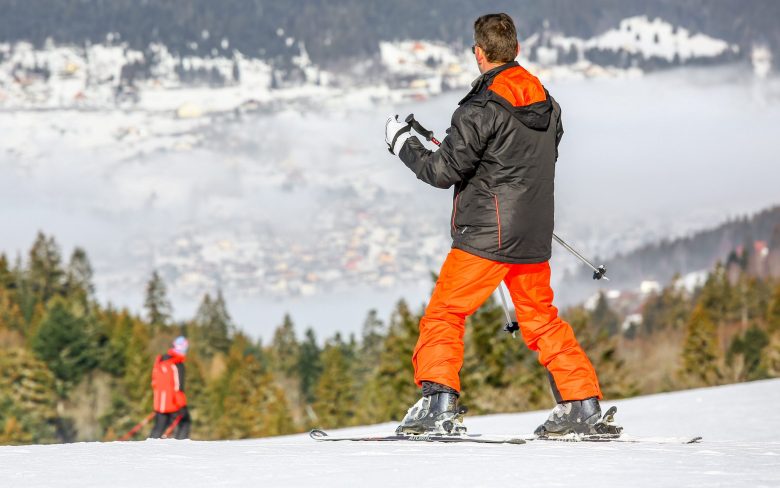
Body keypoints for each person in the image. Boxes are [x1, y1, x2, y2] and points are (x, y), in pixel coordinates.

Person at [385, 13, 605, 436]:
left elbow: (441, 171)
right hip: (532, 232)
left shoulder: (479, 108)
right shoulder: (547, 103)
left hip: (485, 236)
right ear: (516, 49)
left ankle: (438, 403)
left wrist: (403, 144)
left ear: (478, 52)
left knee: (445, 313)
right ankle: (581, 403)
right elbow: (530, 158)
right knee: (541, 318)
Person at [148, 336, 191, 439]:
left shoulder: (160, 361)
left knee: (159, 427)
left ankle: (150, 446)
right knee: (185, 422)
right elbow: (178, 388)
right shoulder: (177, 364)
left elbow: (154, 382)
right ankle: (180, 446)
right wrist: (182, 406)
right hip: (172, 403)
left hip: (159, 403)